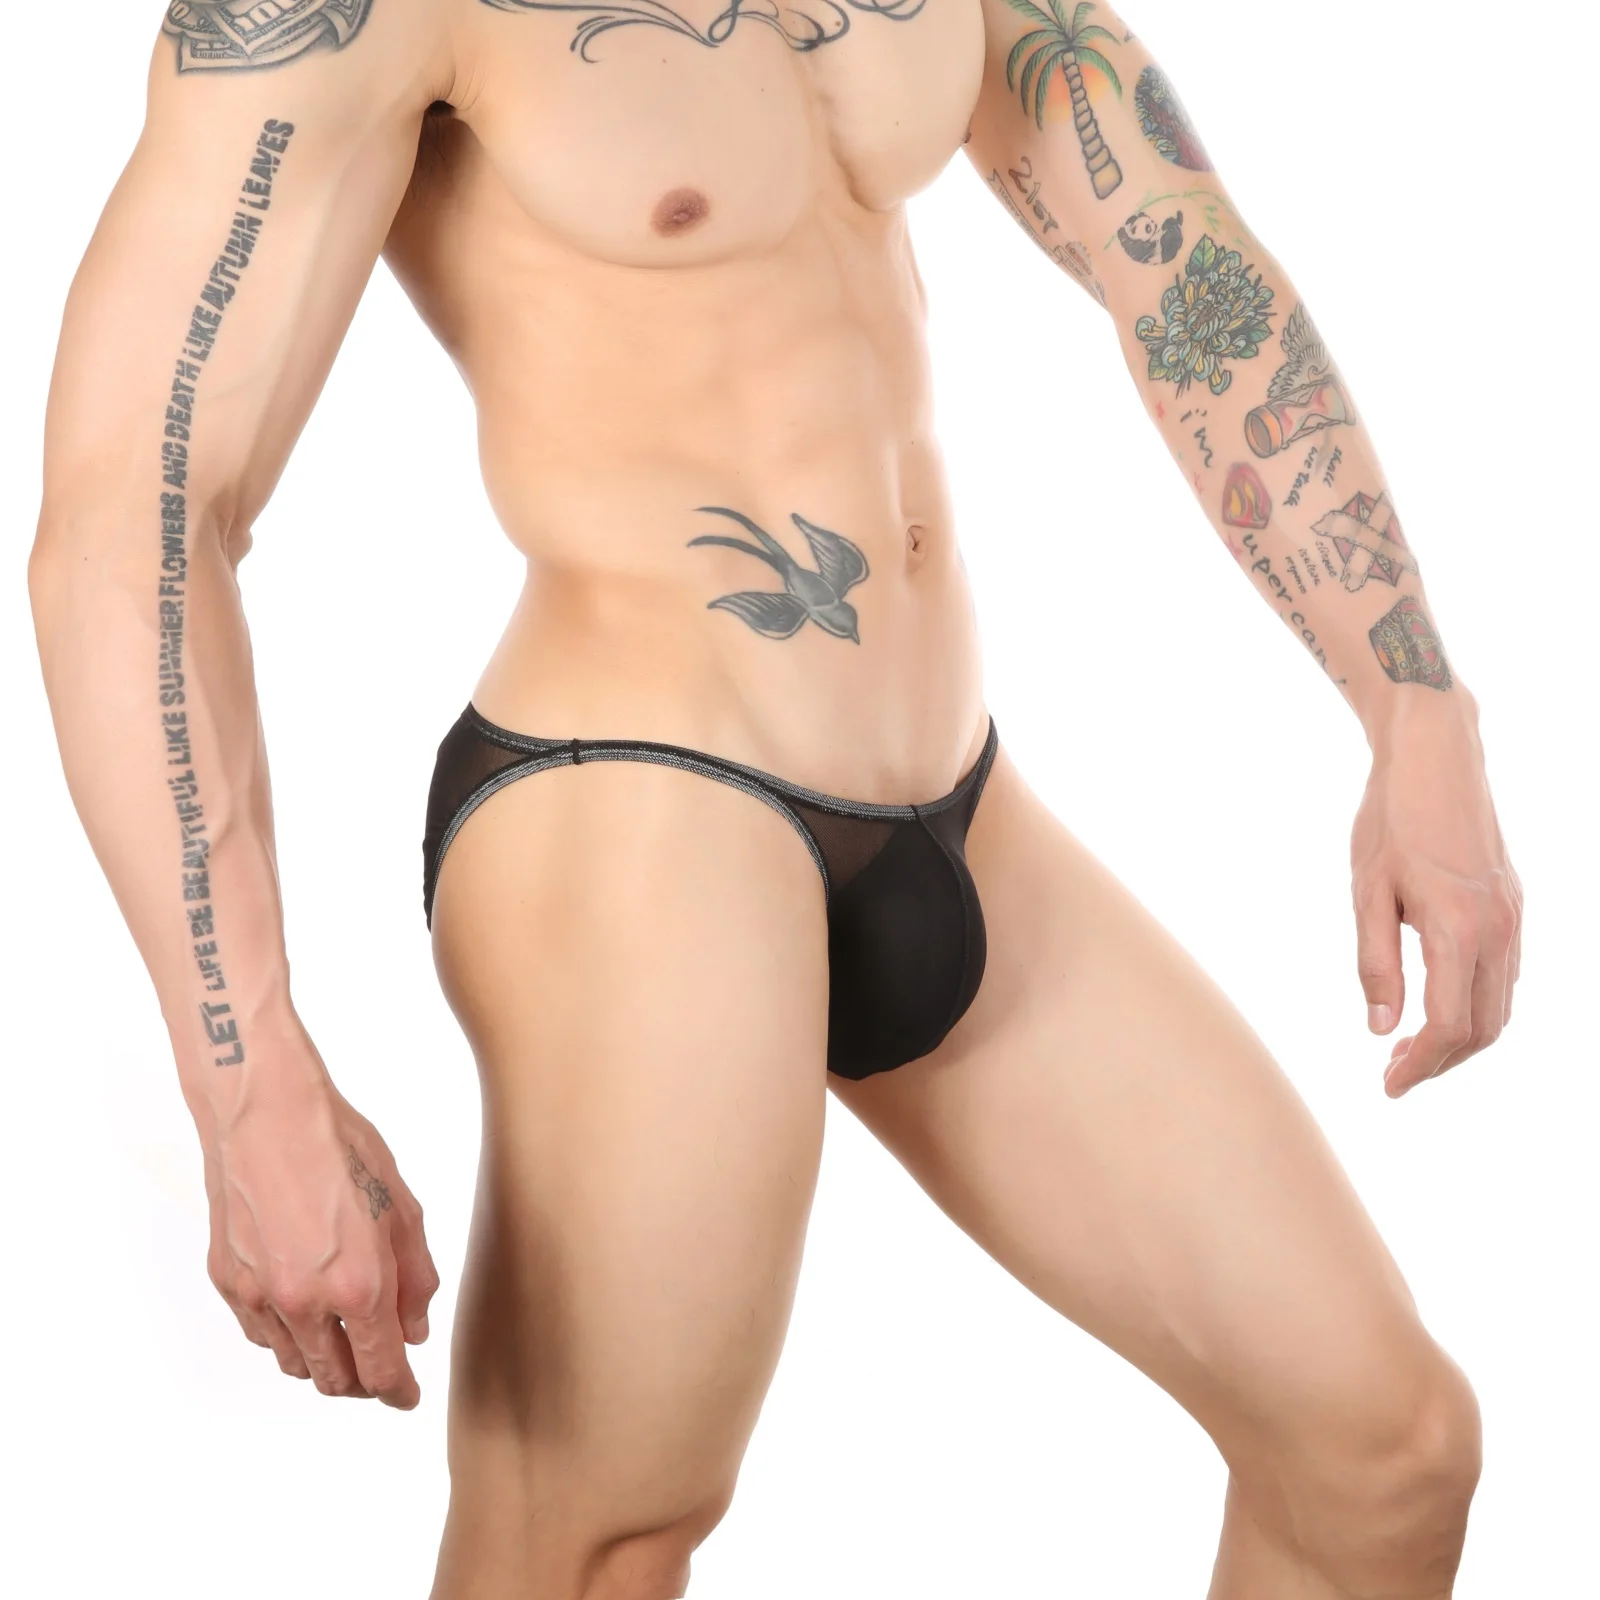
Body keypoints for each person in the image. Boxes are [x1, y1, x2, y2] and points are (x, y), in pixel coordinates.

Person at [28, 1, 1521, 1596]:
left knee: (1382, 1449)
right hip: (640, 803)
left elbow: (1171, 254)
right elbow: (133, 519)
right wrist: (246, 1085)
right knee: (603, 1538)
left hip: (954, 794)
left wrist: (1414, 703)